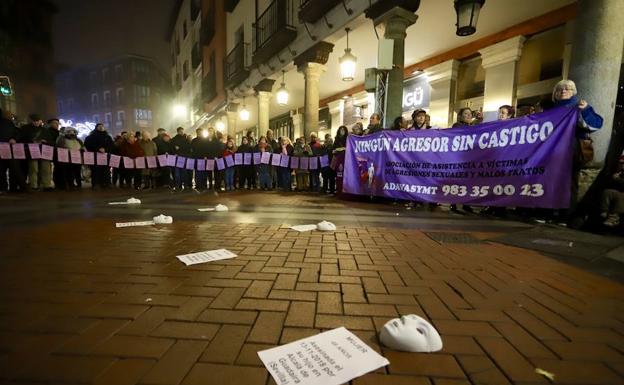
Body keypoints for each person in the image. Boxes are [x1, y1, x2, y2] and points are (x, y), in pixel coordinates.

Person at [552, 79, 603, 219]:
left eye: (567, 89)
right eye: (560, 89)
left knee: (569, 182)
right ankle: (551, 211)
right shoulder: (551, 110)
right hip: (552, 151)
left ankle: (567, 214)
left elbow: (596, 124)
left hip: (571, 149)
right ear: (555, 93)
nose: (563, 91)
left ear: (573, 92)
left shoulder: (579, 106)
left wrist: (585, 110)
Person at [0, 109, 27, 192]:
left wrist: (14, 138)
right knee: (14, 169)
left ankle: (5, 188)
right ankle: (15, 187)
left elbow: (17, 133)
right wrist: (14, 138)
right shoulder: (9, 123)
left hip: (6, 149)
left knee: (4, 170)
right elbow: (18, 133)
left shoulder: (8, 123)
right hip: (10, 150)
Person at [84, 123, 113, 189]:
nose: (101, 127)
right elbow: (88, 145)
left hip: (105, 156)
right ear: (96, 127)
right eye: (99, 126)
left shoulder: (107, 137)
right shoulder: (91, 136)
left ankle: (106, 183)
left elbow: (111, 146)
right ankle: (96, 183)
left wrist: (105, 149)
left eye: (102, 126)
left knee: (106, 170)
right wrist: (98, 149)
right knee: (96, 170)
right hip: (95, 157)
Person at [599, 156, 624, 227]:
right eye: (621, 163)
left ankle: (614, 217)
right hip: (617, 192)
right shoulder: (619, 172)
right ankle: (604, 211)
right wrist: (613, 179)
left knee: (621, 196)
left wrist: (618, 180)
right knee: (608, 192)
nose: (622, 165)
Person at [171, 126, 192, 191]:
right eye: (180, 131)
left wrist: (179, 148)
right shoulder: (174, 139)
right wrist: (176, 150)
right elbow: (172, 148)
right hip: (177, 158)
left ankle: (185, 185)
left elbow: (188, 148)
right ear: (178, 132)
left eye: (182, 131)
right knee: (177, 173)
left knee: (184, 173)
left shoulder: (186, 139)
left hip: (184, 157)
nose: (182, 132)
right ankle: (178, 186)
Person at [332, 125, 349, 197]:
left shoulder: (348, 139)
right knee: (338, 175)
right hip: (338, 158)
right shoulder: (336, 139)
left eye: (343, 130)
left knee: (344, 175)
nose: (342, 131)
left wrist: (343, 149)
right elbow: (333, 148)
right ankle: (338, 189)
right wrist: (335, 150)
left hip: (345, 159)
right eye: (341, 130)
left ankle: (344, 190)